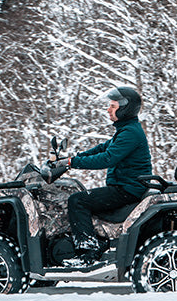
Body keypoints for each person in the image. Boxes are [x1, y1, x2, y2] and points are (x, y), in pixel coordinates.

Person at [54, 86, 153, 261]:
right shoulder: (126, 130)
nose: (108, 110)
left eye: (113, 106)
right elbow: (102, 148)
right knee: (80, 197)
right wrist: (73, 158)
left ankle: (88, 252)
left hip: (127, 189)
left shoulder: (130, 133)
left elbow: (107, 158)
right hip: (126, 186)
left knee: (77, 200)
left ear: (124, 109)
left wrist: (72, 163)